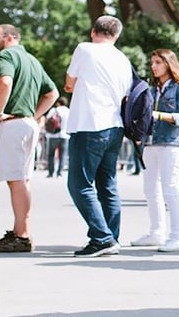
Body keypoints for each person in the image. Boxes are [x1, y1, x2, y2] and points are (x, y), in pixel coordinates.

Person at [65, 15, 132, 257]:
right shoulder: (123, 59)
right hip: (115, 126)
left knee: (79, 184)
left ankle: (102, 237)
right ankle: (111, 237)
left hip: (90, 123)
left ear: (94, 31)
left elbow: (69, 82)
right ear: (117, 35)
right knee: (108, 185)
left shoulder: (85, 49)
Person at [0, 24, 58, 253]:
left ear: (10, 37)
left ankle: (21, 236)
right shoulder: (32, 60)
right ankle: (21, 231)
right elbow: (52, 93)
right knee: (22, 180)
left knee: (16, 180)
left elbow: (4, 82)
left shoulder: (6, 55)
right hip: (26, 123)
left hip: (11, 124)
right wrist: (34, 115)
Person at [131, 49, 179, 251]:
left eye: (158, 62)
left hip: (172, 143)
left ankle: (177, 237)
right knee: (151, 190)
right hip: (151, 143)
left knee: (171, 189)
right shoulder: (151, 90)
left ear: (168, 64)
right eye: (152, 62)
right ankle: (156, 233)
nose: (153, 66)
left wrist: (159, 115)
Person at [45, 96, 70, 178]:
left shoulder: (54, 110)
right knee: (62, 155)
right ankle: (59, 173)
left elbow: (47, 119)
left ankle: (51, 172)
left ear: (58, 103)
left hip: (53, 135)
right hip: (64, 135)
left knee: (51, 154)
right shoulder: (68, 111)